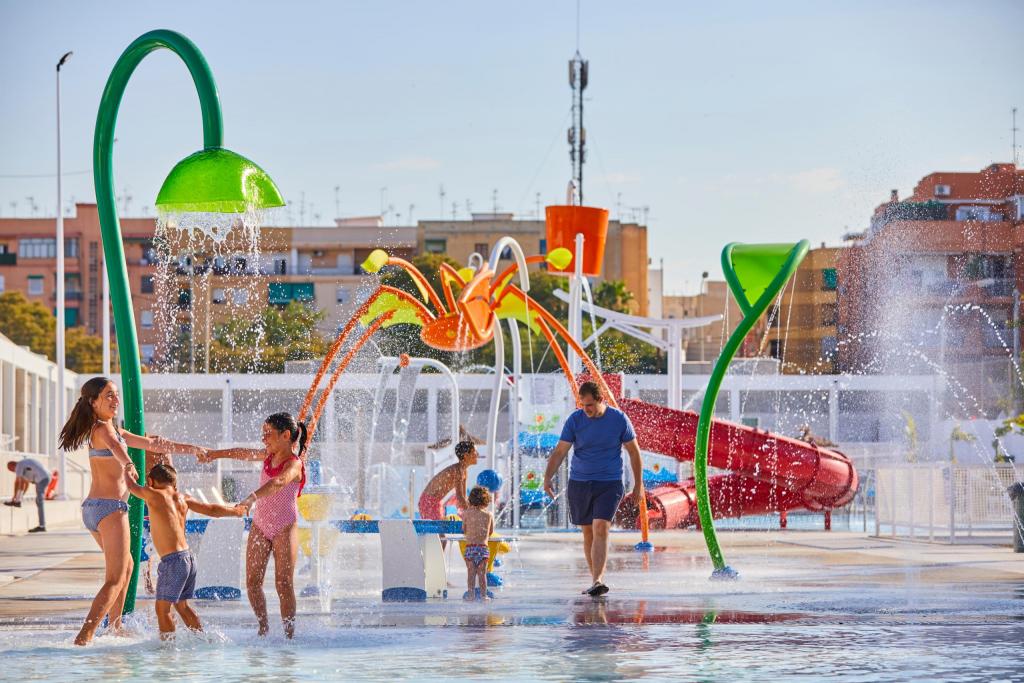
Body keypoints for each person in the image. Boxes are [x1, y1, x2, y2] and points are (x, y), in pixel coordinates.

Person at [58, 376, 205, 646]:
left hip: (94, 508)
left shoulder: (116, 431)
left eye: (116, 395)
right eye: (108, 396)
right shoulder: (102, 430)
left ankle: (115, 627)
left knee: (126, 566)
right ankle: (84, 637)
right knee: (115, 577)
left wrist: (192, 449)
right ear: (93, 402)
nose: (115, 400)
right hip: (110, 508)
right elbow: (116, 450)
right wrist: (128, 465)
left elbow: (153, 445)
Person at [201, 412, 306, 639]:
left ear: (286, 435)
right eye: (263, 434)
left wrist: (250, 499)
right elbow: (241, 453)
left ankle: (289, 635)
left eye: (268, 434)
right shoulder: (268, 456)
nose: (263, 439)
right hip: (260, 525)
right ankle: (263, 628)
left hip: (284, 526)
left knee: (284, 584)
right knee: (252, 582)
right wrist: (214, 454)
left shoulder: (295, 464)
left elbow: (278, 483)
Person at [543, 381, 644, 597]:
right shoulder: (575, 420)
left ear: (600, 399)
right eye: (582, 405)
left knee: (601, 527)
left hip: (609, 482)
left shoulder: (618, 419)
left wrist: (638, 485)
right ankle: (595, 581)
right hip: (579, 482)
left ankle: (598, 579)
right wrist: (547, 477)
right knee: (587, 531)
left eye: (589, 405)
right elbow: (560, 451)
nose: (585, 409)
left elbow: (634, 452)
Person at [123, 463, 244, 640]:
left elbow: (131, 487)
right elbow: (212, 509)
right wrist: (235, 511)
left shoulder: (153, 494)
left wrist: (127, 469)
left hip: (173, 562)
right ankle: (202, 639)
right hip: (188, 559)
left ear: (150, 481)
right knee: (182, 606)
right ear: (174, 483)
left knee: (162, 610)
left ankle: (167, 648)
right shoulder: (183, 498)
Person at [418, 440, 477, 520]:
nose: (477, 454)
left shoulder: (464, 471)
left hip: (434, 502)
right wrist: (472, 514)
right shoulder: (458, 470)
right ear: (466, 455)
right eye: (474, 452)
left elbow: (463, 497)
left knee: (440, 530)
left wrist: (471, 510)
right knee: (438, 531)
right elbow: (459, 497)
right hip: (428, 502)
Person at [461, 485, 494, 601]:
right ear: (486, 501)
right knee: (482, 574)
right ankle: (484, 596)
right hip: (483, 548)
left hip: (470, 548)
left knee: (471, 573)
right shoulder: (488, 515)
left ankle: (471, 595)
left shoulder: (466, 514)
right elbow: (490, 532)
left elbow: (464, 530)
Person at [4, 458, 52, 532]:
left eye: (11, 470)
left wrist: (15, 497)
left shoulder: (19, 465)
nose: (13, 472)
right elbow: (25, 484)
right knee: (38, 501)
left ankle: (42, 526)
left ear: (13, 465)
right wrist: (19, 498)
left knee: (40, 501)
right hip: (46, 477)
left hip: (41, 479)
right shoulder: (25, 465)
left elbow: (18, 482)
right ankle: (42, 525)